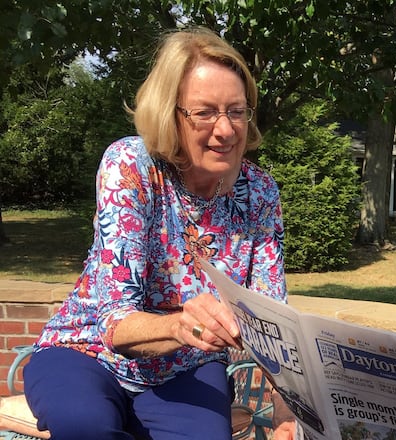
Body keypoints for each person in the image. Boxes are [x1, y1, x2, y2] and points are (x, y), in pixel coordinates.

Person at [23, 27, 294, 439]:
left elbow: (271, 321)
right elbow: (115, 323)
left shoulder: (259, 193)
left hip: (187, 366)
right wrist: (180, 325)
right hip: (85, 352)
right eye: (205, 113)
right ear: (170, 113)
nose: (225, 130)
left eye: (236, 111)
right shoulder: (131, 166)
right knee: (87, 427)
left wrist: (285, 412)